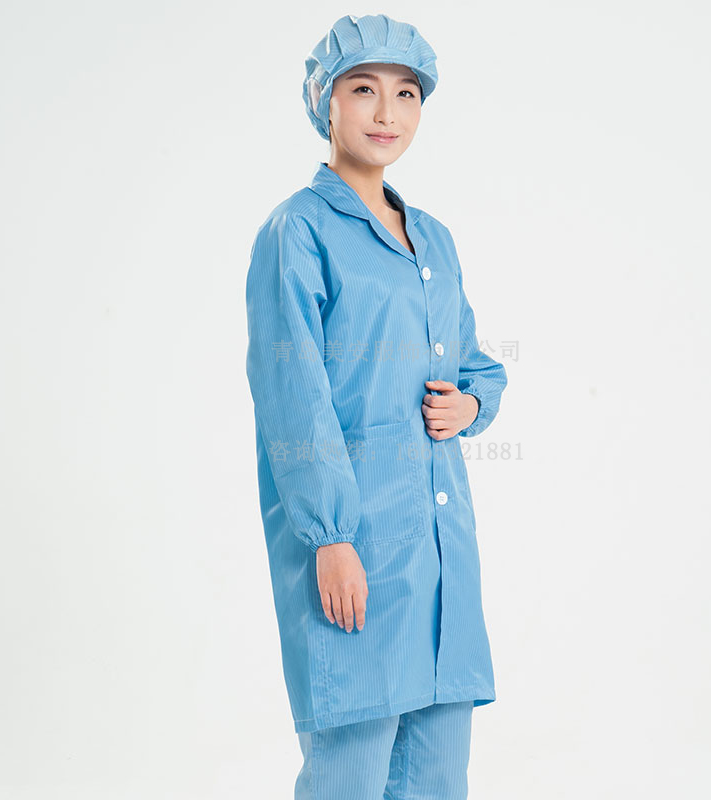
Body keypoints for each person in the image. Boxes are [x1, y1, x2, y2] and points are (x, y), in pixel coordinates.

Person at [244, 13, 509, 799]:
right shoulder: (297, 232)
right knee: (350, 771)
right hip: (356, 547)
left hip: (440, 551)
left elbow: (475, 364)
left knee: (438, 773)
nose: (387, 112)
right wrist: (331, 537)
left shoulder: (433, 239)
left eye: (406, 94)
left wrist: (471, 404)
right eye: (363, 89)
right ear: (323, 100)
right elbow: (293, 397)